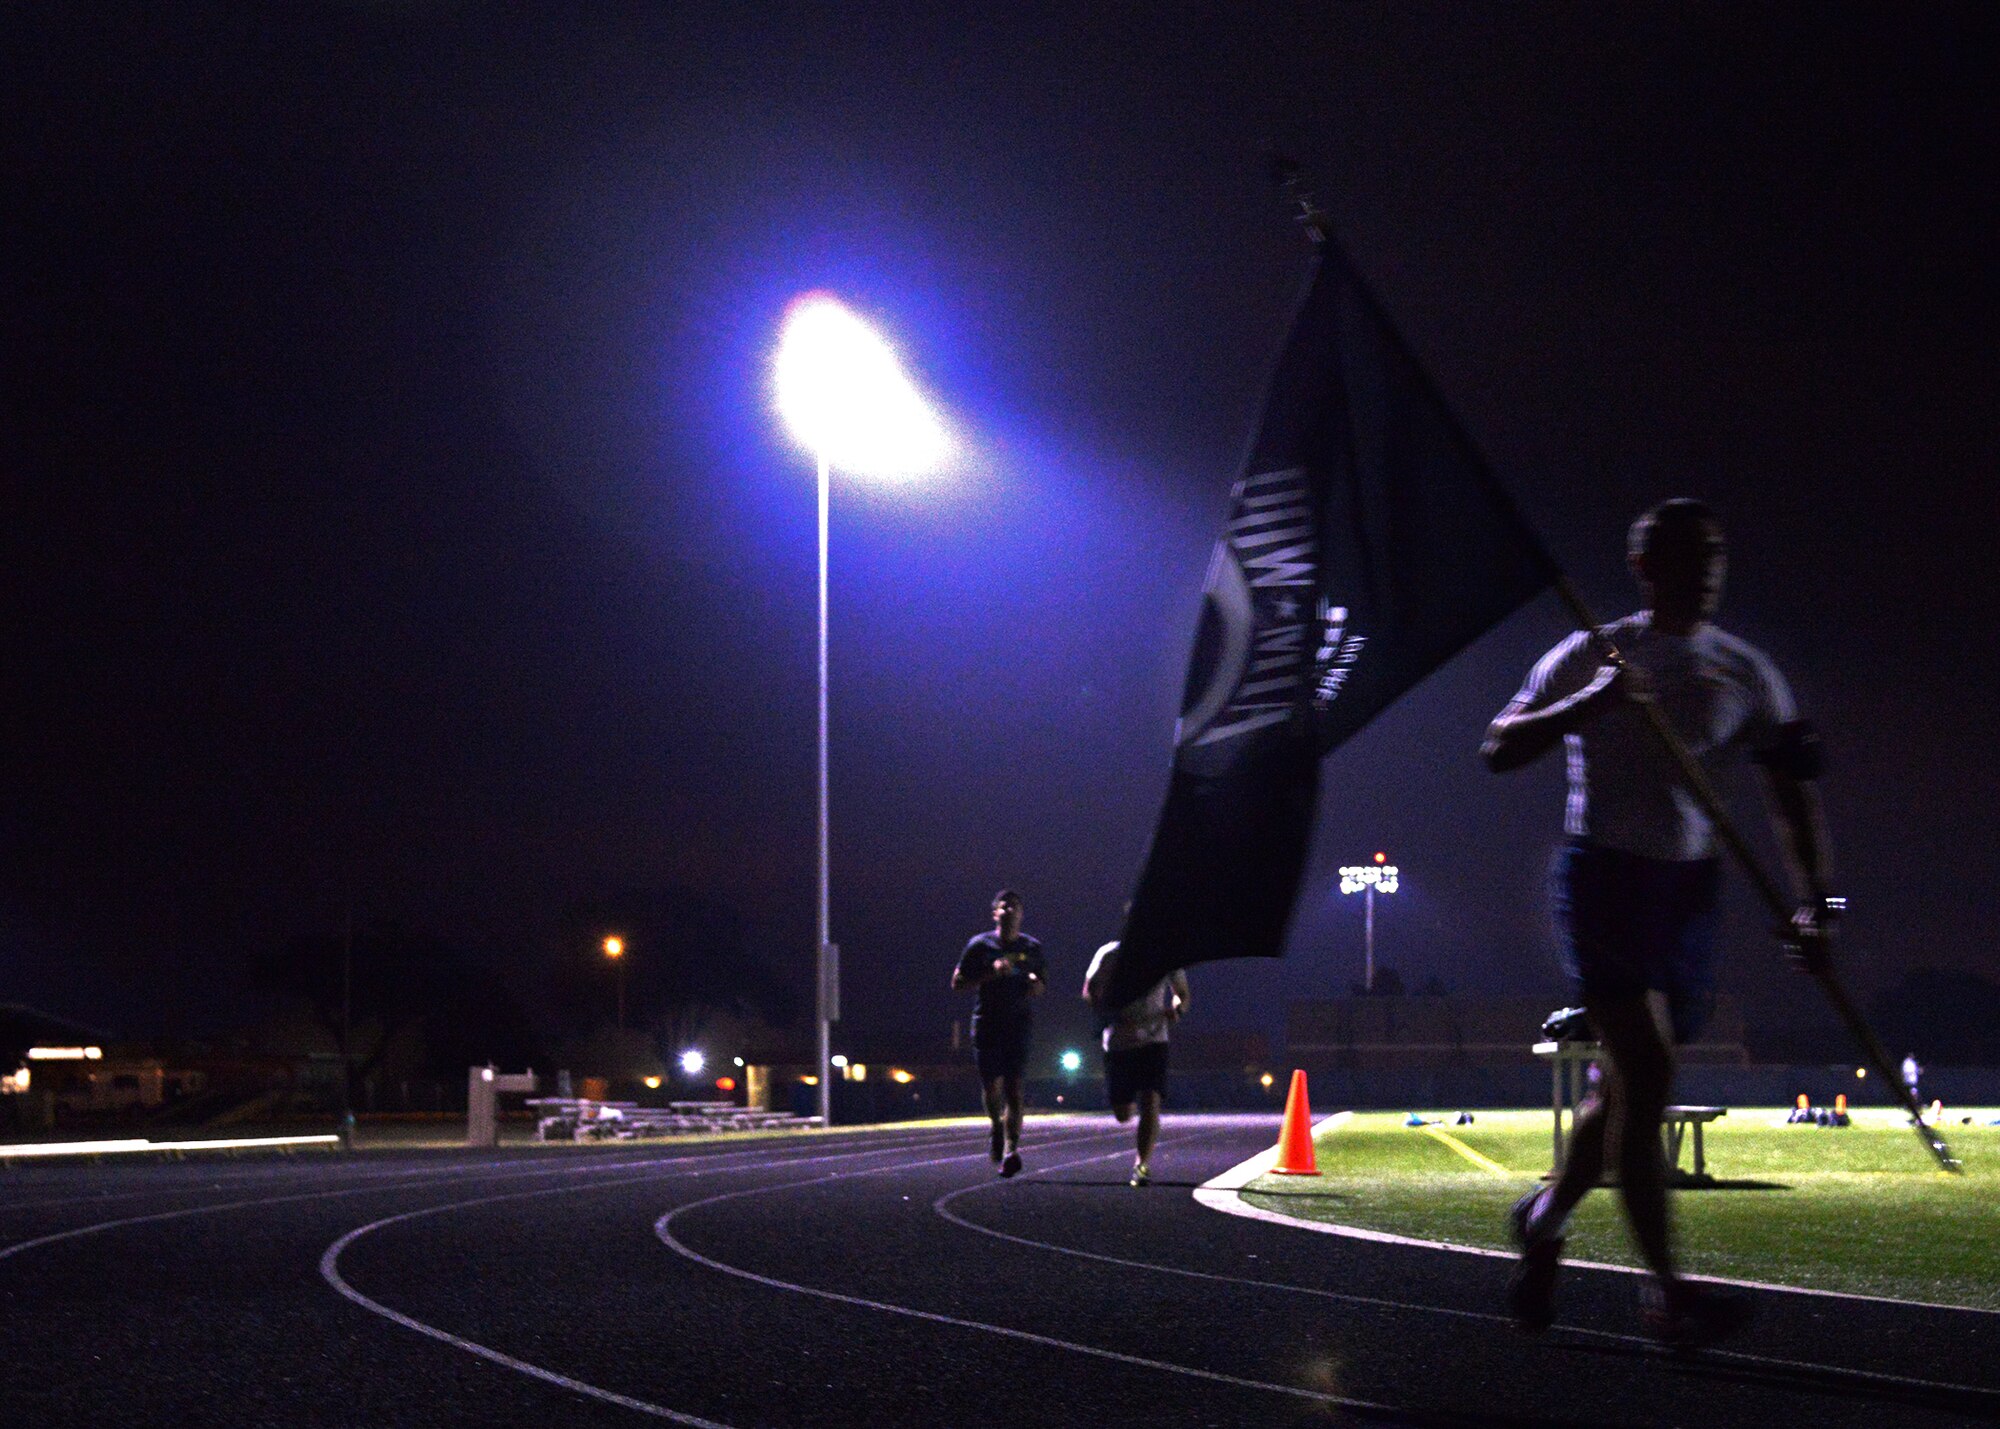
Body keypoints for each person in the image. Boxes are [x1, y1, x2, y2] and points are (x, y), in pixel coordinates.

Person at [1482, 498, 1835, 1349]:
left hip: (1690, 892)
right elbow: (1497, 746)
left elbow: (1793, 793)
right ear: (1646, 566)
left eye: (1716, 553)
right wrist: (1592, 703)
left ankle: (1544, 1216)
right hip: (1600, 877)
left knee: (1625, 1089)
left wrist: (1819, 901)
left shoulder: (1747, 670)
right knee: (1646, 1066)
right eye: (1688, 554)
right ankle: (1668, 1295)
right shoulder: (1593, 650)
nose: (1709, 568)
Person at [951, 889, 1046, 1177]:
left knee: (1015, 1090)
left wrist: (1033, 984)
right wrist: (990, 974)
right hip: (987, 1021)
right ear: (995, 913)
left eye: (1015, 906)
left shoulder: (1032, 948)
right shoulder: (979, 946)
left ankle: (1011, 1149)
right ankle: (996, 1125)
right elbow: (957, 983)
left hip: (1018, 1023)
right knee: (993, 1087)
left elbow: (1042, 986)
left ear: (1021, 913)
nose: (1009, 910)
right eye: (1003, 906)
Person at [1082, 938, 1190, 1187]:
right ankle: (1126, 1113)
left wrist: (1177, 1009)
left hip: (1154, 1038)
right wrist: (1108, 1012)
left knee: (1151, 1099)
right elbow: (1089, 991)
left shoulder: (1166, 955)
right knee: (1123, 1113)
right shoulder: (1109, 954)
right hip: (1119, 1040)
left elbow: (1182, 994)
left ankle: (1141, 1165)